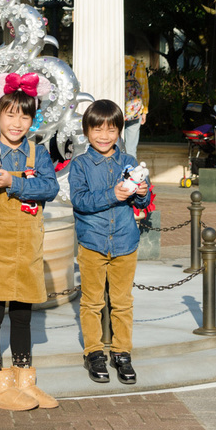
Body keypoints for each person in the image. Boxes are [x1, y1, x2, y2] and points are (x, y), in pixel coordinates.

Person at [0, 72, 60, 411]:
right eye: (10, 114)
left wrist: (13, 182)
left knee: (23, 315)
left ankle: (25, 383)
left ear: (32, 119)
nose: (17, 123)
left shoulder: (39, 153)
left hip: (30, 247)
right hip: (0, 245)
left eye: (24, 116)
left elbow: (50, 188)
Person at [69, 99, 151, 386]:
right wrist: (112, 195)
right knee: (92, 302)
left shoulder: (129, 162)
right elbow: (79, 201)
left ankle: (122, 352)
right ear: (86, 131)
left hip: (125, 241)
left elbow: (143, 203)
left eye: (111, 130)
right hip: (92, 242)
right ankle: (93, 352)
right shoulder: (80, 164)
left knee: (122, 302)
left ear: (119, 131)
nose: (104, 136)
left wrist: (142, 192)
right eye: (97, 129)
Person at [124, 54, 149, 158]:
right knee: (131, 148)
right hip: (134, 111)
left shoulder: (114, 63)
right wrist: (144, 111)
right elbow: (144, 89)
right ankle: (130, 167)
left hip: (115, 111)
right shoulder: (139, 65)